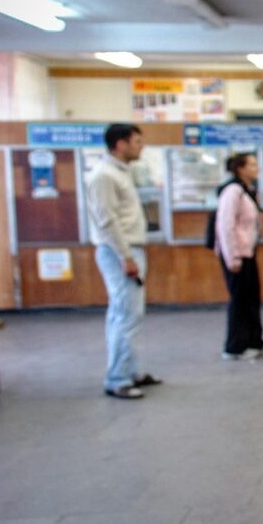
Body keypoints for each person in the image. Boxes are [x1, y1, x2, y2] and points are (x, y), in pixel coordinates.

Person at [87, 123, 162, 399]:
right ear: (121, 144)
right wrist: (125, 256)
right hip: (119, 251)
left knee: (127, 314)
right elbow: (106, 220)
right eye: (137, 141)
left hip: (128, 250)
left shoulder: (121, 172)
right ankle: (118, 379)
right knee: (126, 315)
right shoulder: (104, 175)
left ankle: (130, 371)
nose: (141, 146)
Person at [214, 153, 263, 361]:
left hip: (249, 250)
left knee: (252, 298)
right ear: (240, 169)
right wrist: (232, 257)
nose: (257, 168)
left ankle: (255, 341)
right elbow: (226, 225)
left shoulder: (248, 190)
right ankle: (234, 347)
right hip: (236, 253)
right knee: (239, 300)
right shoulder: (232, 191)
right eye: (252, 165)